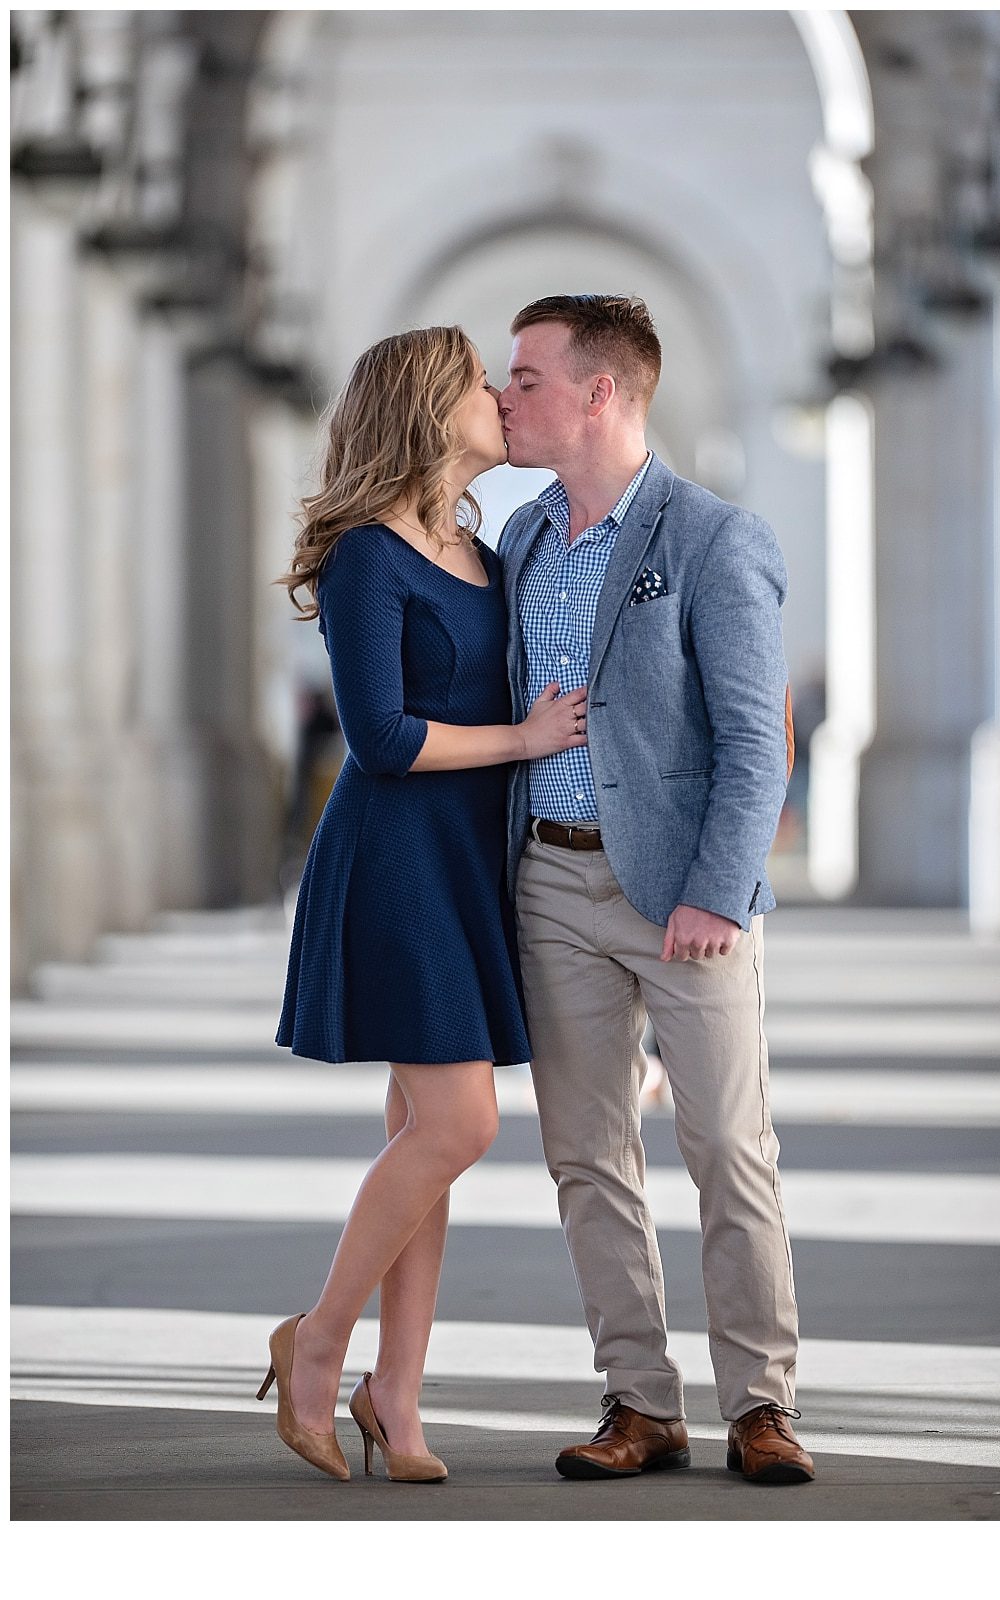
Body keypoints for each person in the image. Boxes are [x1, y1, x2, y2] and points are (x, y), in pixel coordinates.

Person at [495, 294, 813, 1485]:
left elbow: (754, 740)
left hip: (685, 899)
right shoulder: (521, 538)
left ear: (600, 395)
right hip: (551, 882)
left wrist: (717, 894)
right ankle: (640, 1400)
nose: (503, 396)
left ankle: (761, 1405)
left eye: (525, 377)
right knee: (586, 1152)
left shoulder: (714, 538)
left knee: (727, 1144)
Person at [270, 327, 588, 1481]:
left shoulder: (492, 550)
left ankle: (395, 1401)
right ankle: (315, 1343)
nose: (500, 397)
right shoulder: (366, 554)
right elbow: (383, 736)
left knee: (426, 1141)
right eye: (477, 382)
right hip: (395, 858)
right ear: (425, 406)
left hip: (467, 864)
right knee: (461, 1127)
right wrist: (524, 736)